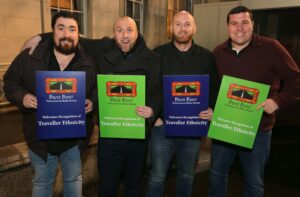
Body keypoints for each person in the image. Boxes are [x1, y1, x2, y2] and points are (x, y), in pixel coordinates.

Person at [22, 16, 161, 196]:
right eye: (119, 30)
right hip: (110, 133)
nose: (125, 35)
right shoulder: (102, 48)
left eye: (129, 30)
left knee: (134, 183)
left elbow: (157, 90)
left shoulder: (152, 57)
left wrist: (152, 109)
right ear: (113, 34)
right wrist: (42, 36)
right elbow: (70, 36)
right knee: (107, 184)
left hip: (138, 132)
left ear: (137, 33)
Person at [209, 6, 300, 197]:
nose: (239, 28)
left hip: (258, 130)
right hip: (225, 127)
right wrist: (211, 108)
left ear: (253, 24)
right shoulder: (218, 52)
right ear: (228, 27)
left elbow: (296, 80)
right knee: (217, 175)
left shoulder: (271, 47)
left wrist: (277, 101)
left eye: (244, 22)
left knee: (254, 181)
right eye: (234, 23)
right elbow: (214, 88)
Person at [4, 11, 96, 197]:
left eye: (72, 29)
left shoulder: (88, 61)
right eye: (60, 28)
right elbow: (10, 81)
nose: (66, 34)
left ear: (78, 33)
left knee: (73, 179)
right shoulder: (31, 55)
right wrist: (22, 97)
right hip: (40, 138)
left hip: (74, 139)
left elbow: (94, 90)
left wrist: (92, 102)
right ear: (52, 31)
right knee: (42, 183)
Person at [147, 11, 220, 197]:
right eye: (178, 24)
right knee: (157, 176)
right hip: (162, 128)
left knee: (187, 176)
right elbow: (149, 87)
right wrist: (154, 117)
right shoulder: (157, 54)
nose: (182, 28)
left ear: (194, 28)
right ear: (171, 28)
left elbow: (214, 88)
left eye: (187, 24)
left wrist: (211, 109)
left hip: (192, 129)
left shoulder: (206, 56)